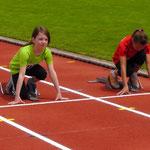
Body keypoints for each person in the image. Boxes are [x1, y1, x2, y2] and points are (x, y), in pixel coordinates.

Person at [7, 26, 68, 105]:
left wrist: (59, 93)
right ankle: (12, 83)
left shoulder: (47, 52)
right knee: (22, 96)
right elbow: (22, 74)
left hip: (30, 67)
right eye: (40, 39)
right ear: (33, 39)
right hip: (18, 68)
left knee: (42, 73)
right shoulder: (25, 52)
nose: (43, 42)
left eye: (46, 39)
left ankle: (31, 82)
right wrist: (17, 97)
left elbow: (52, 72)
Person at [109, 29, 150, 95]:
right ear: (133, 40)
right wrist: (125, 86)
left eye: (141, 48)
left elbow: (148, 64)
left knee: (143, 54)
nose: (139, 49)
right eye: (137, 47)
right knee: (128, 72)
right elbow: (123, 66)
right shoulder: (124, 44)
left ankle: (133, 74)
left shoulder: (145, 45)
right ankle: (114, 73)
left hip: (131, 57)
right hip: (119, 59)